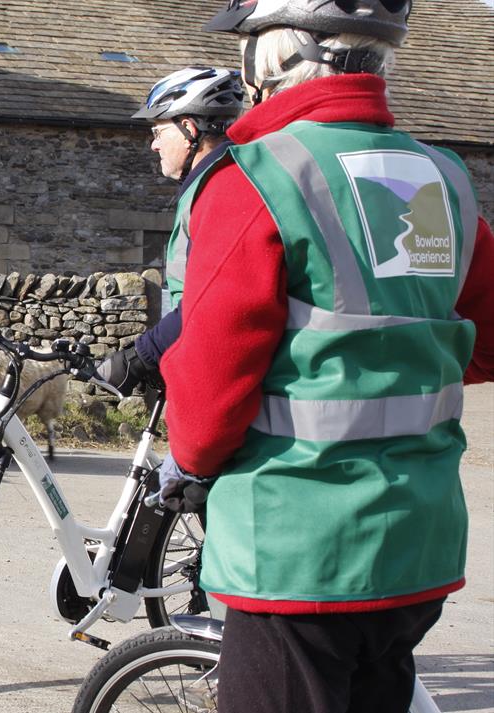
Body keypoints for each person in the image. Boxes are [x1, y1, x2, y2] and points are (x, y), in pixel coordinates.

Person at [156, 1, 494, 711]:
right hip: (416, 546)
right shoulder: (442, 176)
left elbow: (213, 380)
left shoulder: (254, 177)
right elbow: (482, 341)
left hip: (297, 556)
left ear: (276, 56)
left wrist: (188, 462)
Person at [97, 67, 245, 395]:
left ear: (188, 129)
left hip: (223, 380)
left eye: (158, 132)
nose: (153, 145)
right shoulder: (215, 180)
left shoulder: (221, 191)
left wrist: (139, 357)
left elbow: (210, 302)